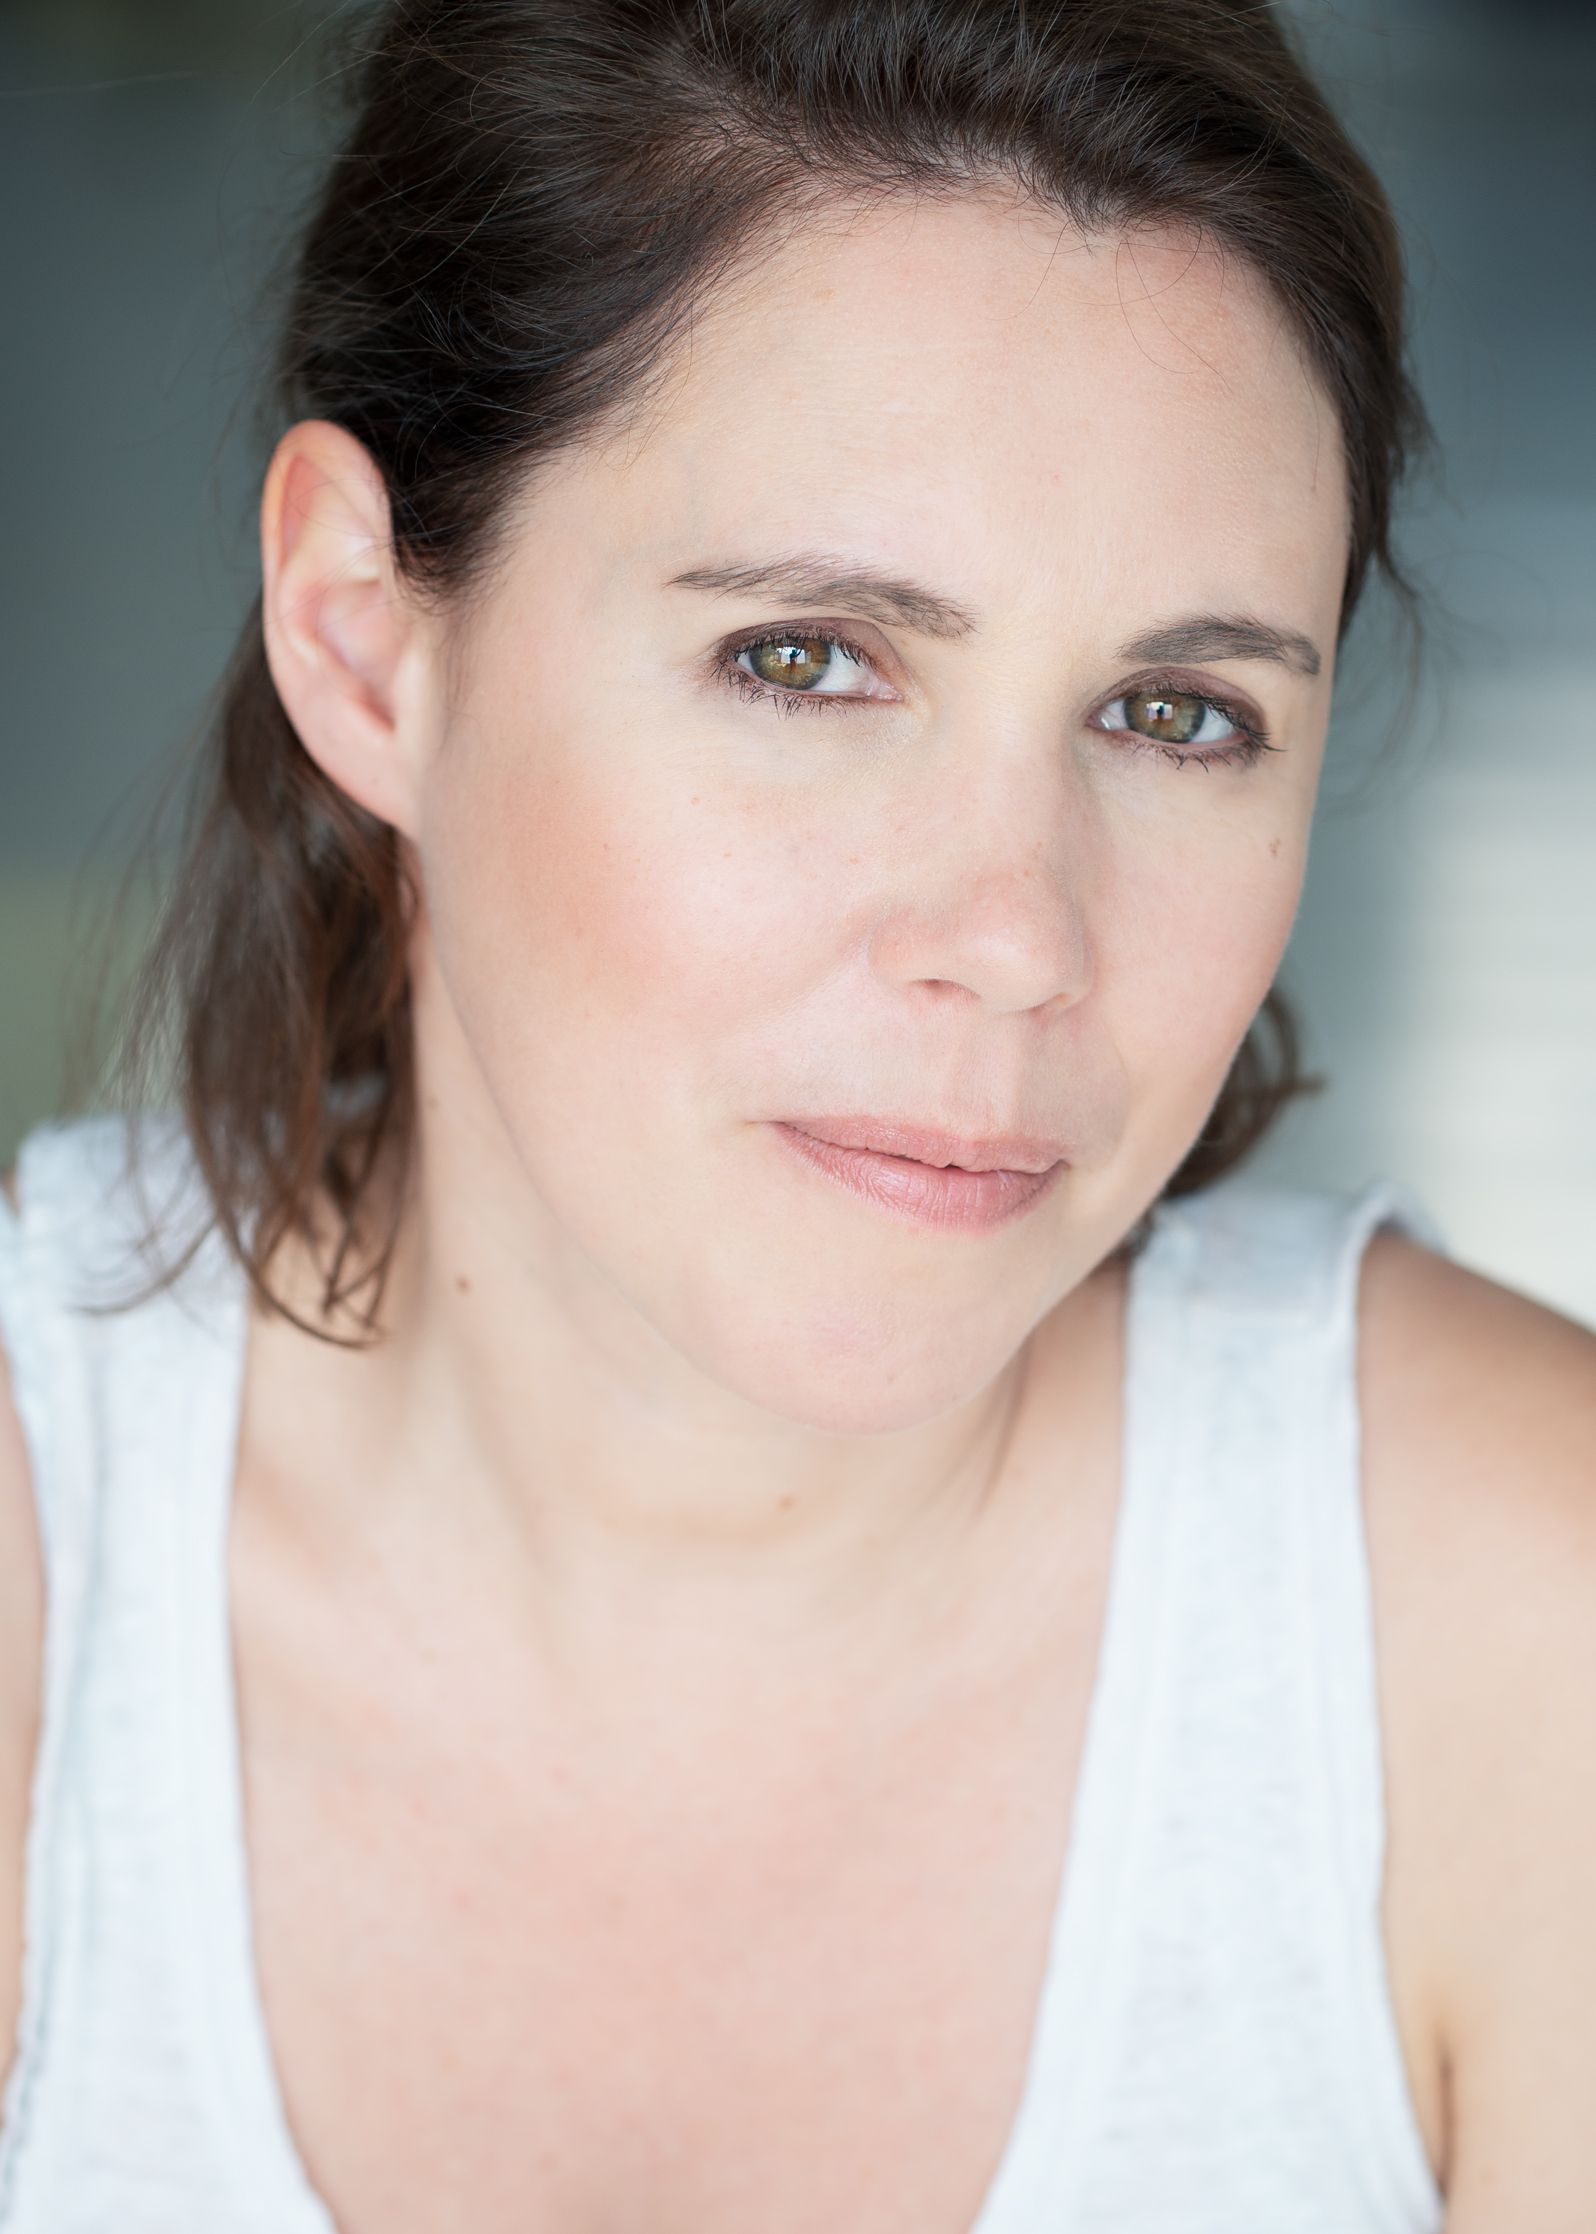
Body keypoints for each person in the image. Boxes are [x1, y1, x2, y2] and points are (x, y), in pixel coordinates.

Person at [1, 0, 1593, 2227]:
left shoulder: (1524, 1623)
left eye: (1175, 712)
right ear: (365, 638)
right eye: (807, 660)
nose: (1017, 934)